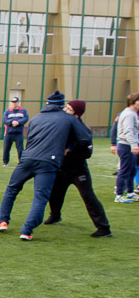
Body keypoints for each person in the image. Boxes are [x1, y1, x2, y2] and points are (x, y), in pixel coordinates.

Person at [0, 91, 91, 241]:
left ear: (47, 103)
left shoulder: (36, 117)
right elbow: (85, 138)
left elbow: (30, 137)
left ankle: (2, 222)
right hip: (48, 163)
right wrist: (68, 148)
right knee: (40, 197)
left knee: (12, 189)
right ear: (61, 105)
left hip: (27, 158)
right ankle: (26, 230)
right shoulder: (68, 119)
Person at [43, 100, 111, 237]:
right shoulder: (63, 124)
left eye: (69, 109)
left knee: (88, 196)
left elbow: (87, 153)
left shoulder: (84, 130)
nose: (65, 111)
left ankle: (104, 228)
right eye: (66, 107)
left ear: (77, 115)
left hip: (78, 170)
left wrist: (70, 150)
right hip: (61, 168)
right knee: (55, 193)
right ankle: (55, 215)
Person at [112, 93, 139, 203]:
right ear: (134, 102)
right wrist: (134, 145)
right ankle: (118, 195)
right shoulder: (129, 114)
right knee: (124, 171)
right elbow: (128, 131)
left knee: (132, 170)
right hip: (126, 146)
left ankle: (130, 193)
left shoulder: (131, 113)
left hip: (127, 145)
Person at [1, 97, 29, 166]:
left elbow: (25, 118)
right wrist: (11, 122)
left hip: (18, 133)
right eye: (13, 102)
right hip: (9, 133)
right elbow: (5, 120)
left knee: (20, 149)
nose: (14, 103)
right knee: (6, 148)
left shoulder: (23, 111)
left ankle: (21, 162)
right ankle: (5, 162)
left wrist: (18, 122)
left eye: (15, 102)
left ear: (18, 102)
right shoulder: (7, 111)